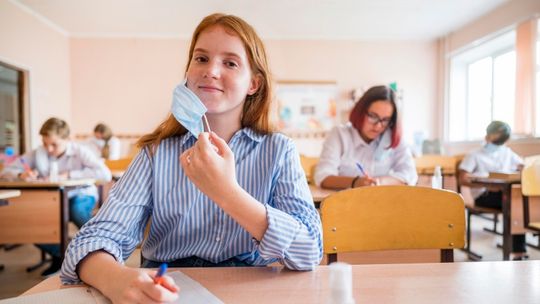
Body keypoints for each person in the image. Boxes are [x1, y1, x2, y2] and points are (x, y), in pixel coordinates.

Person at [60, 13, 322, 303]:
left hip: (250, 289)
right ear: (188, 71)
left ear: (254, 84)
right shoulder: (156, 153)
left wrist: (227, 193)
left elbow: (309, 250)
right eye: (201, 59)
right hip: (169, 287)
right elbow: (90, 241)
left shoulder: (279, 151)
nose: (210, 71)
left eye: (230, 63)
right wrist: (118, 279)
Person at [1, 117, 112, 276]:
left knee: (76, 210)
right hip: (51, 200)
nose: (49, 149)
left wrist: (69, 174)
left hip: (80, 194)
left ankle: (101, 247)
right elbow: (7, 170)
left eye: (54, 144)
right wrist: (21, 173)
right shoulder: (38, 153)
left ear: (67, 139)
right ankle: (63, 255)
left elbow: (105, 174)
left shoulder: (80, 151)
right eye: (45, 144)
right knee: (31, 224)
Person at [314, 85, 417, 190]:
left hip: (381, 202)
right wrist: (356, 182)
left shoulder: (392, 137)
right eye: (373, 116)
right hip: (345, 203)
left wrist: (379, 182)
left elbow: (410, 174)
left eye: (385, 120)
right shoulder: (339, 135)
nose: (378, 126)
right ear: (361, 112)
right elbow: (323, 177)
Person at [459, 120, 526, 260]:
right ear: (487, 135)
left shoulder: (507, 152)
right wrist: (488, 185)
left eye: (499, 142)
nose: (495, 144)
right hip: (484, 195)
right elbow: (463, 179)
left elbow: (523, 166)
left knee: (519, 201)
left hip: (505, 193)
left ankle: (517, 249)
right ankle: (516, 250)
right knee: (516, 204)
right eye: (493, 139)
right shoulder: (474, 155)